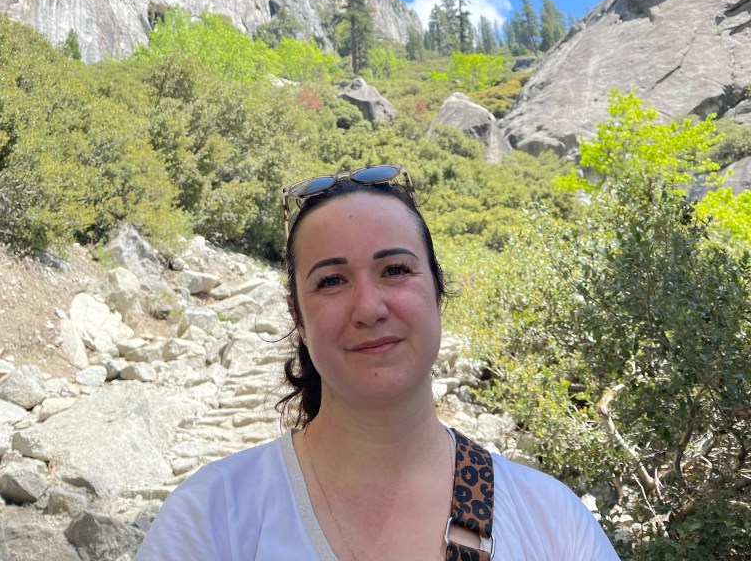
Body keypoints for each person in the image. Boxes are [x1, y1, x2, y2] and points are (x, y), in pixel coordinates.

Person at [134, 164, 621, 560]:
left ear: (437, 293)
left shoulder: (552, 520)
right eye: (331, 281)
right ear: (298, 317)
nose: (368, 308)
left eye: (395, 270)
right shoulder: (213, 518)